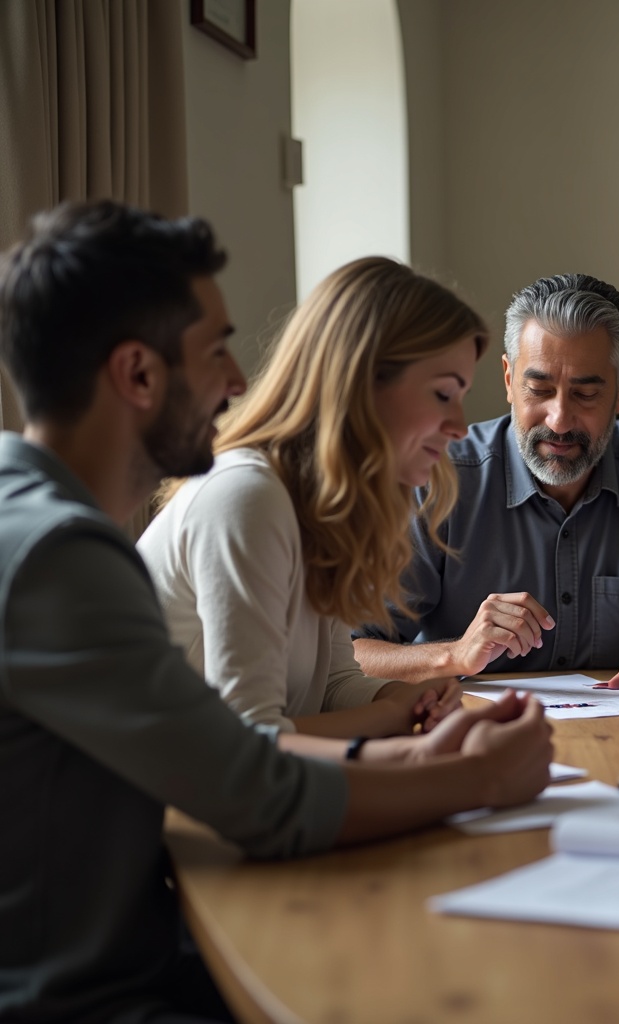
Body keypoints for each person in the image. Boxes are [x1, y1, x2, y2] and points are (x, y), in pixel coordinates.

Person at [0, 200, 552, 1023]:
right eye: (216, 350)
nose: (235, 379)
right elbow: (258, 789)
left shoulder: (45, 522)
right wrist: (470, 776)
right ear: (138, 375)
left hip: (138, 939)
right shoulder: (60, 559)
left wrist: (422, 740)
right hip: (82, 994)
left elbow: (257, 741)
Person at [351, 273, 619, 696]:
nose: (559, 420)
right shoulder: (438, 478)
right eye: (539, 389)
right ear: (509, 381)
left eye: (585, 395)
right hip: (470, 733)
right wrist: (455, 654)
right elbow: (351, 651)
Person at [139, 257, 480, 742]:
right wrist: (394, 720)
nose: (461, 426)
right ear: (362, 382)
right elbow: (249, 741)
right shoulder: (247, 497)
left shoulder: (320, 511)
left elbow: (334, 684)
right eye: (444, 393)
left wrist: (403, 697)